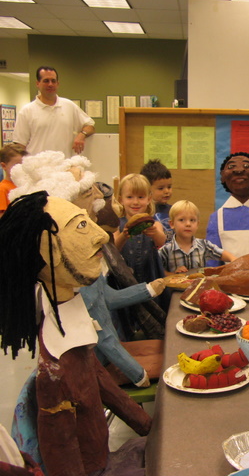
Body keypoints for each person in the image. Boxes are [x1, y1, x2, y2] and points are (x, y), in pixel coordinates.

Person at [0, 191, 151, 476]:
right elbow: (62, 455)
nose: (101, 235)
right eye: (81, 226)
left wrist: (150, 426)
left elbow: (101, 381)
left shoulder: (73, 336)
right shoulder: (55, 371)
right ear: (51, 251)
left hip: (108, 460)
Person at [9, 151, 166, 387]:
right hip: (89, 369)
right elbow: (105, 338)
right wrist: (138, 374)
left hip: (100, 355)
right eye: (88, 194)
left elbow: (108, 299)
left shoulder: (87, 270)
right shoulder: (72, 279)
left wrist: (148, 290)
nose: (99, 196)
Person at [12, 66, 95, 157]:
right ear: (38, 83)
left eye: (53, 81)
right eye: (46, 81)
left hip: (64, 164)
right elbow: (20, 145)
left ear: (57, 84)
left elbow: (90, 126)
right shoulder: (26, 111)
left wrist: (82, 135)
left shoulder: (69, 105)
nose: (50, 84)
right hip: (37, 165)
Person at [113, 173, 167, 286]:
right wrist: (124, 236)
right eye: (129, 197)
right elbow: (114, 249)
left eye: (141, 197)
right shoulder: (116, 225)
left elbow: (161, 242)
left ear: (149, 199)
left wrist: (154, 233)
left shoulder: (155, 224)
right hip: (125, 278)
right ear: (121, 199)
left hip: (150, 277)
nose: (135, 202)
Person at [159, 199, 236, 273]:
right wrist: (174, 274)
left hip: (200, 282)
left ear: (197, 224)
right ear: (172, 224)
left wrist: (234, 260)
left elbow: (222, 253)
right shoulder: (165, 250)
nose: (188, 224)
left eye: (192, 220)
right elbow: (158, 271)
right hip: (176, 282)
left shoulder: (204, 245)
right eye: (182, 220)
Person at [141, 158, 173, 236]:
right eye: (161, 188)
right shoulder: (142, 211)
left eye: (169, 187)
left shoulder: (173, 211)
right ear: (147, 189)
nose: (167, 191)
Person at [0, 143, 27, 217]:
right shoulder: (2, 189)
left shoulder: (25, 186)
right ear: (4, 166)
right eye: (17, 165)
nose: (21, 168)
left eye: (23, 165)